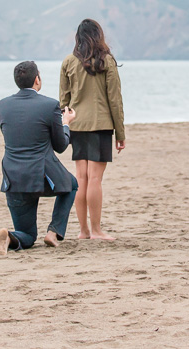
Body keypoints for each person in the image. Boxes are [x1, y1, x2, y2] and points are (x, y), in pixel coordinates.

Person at [0, 60, 78, 255]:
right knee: (72, 185)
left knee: (28, 235)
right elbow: (61, 145)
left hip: (13, 177)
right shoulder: (50, 105)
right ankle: (54, 232)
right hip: (43, 175)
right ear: (37, 79)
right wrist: (66, 124)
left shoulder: (2, 105)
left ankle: (11, 237)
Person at [59, 18, 125, 241]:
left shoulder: (68, 61)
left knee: (81, 177)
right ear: (99, 36)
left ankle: (83, 231)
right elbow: (114, 99)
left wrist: (66, 124)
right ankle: (96, 231)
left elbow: (63, 101)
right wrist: (120, 133)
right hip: (100, 124)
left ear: (79, 38)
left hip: (76, 124)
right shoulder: (106, 61)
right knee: (95, 179)